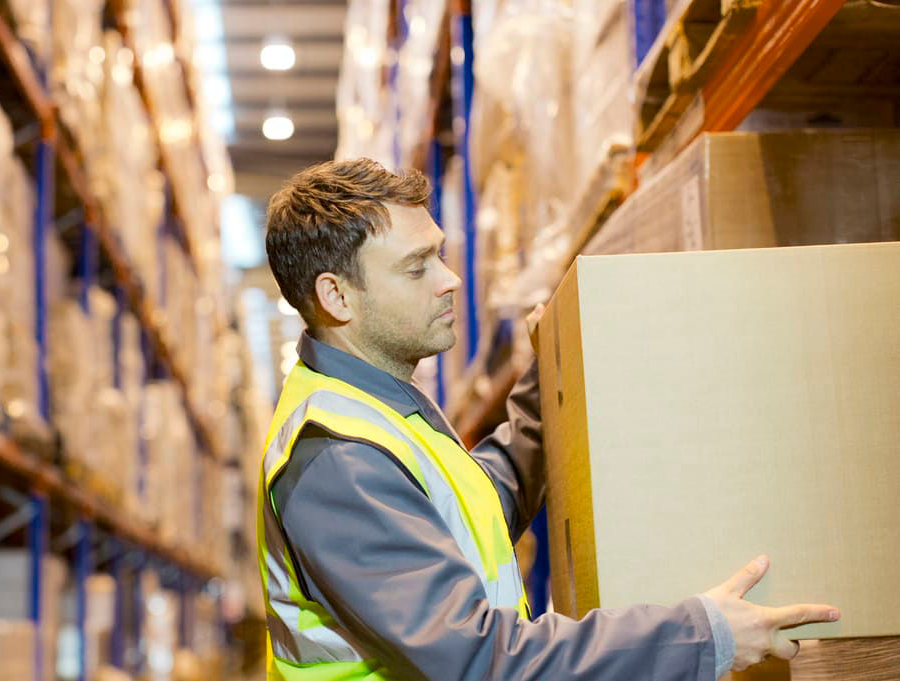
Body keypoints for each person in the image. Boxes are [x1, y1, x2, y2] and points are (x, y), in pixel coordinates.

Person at [256, 158, 839, 680]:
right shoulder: (335, 456)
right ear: (336, 297)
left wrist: (551, 372)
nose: (450, 279)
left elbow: (481, 506)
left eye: (439, 253)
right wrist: (703, 636)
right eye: (417, 268)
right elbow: (479, 660)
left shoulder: (378, 407)